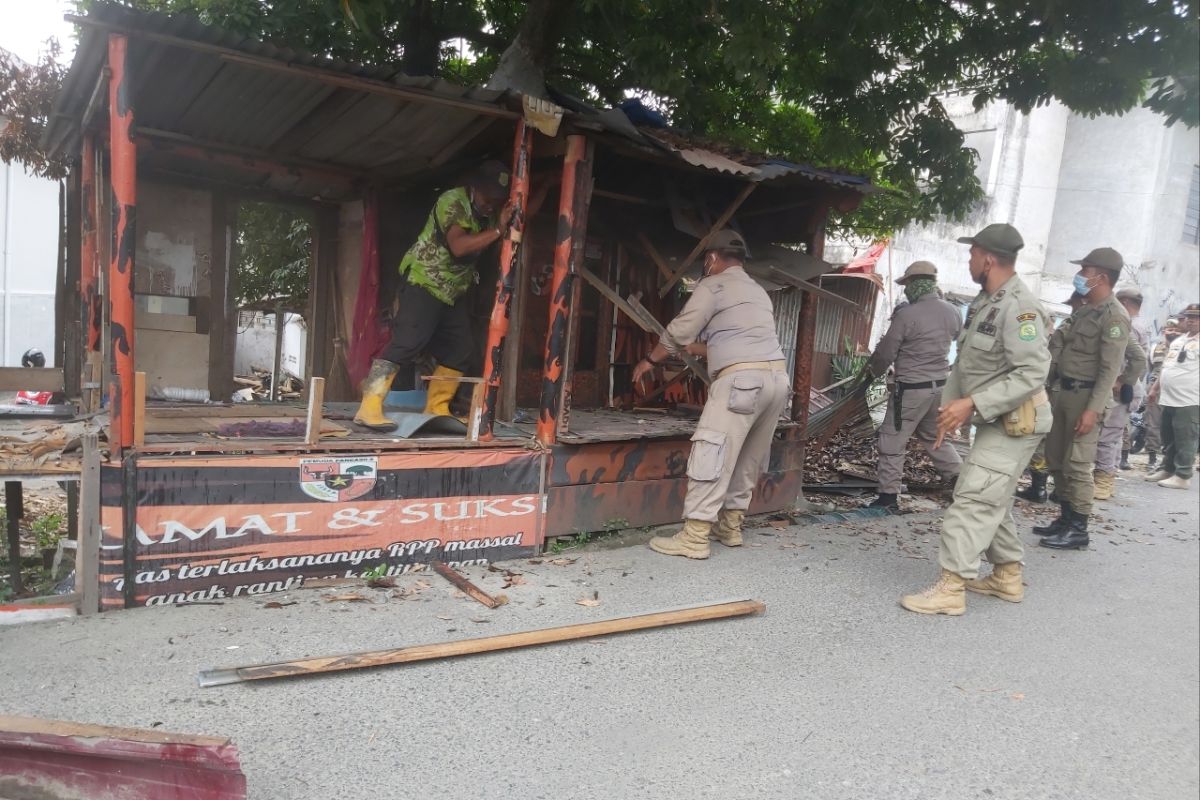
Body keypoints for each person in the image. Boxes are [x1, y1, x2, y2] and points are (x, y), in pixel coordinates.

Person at [899, 223, 1051, 616]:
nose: (968, 261)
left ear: (988, 258)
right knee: (988, 493)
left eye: (971, 254)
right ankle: (1006, 575)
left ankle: (951, 587)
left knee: (973, 498)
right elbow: (967, 366)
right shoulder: (987, 302)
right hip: (997, 417)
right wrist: (950, 410)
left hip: (1016, 421)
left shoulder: (1019, 307)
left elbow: (1032, 372)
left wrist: (973, 404)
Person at [631, 229, 790, 559]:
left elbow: (679, 331)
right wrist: (698, 349)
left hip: (742, 384)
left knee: (712, 451)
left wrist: (650, 360)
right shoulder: (758, 291)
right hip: (776, 383)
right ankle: (730, 526)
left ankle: (694, 536)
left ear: (712, 258)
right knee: (748, 456)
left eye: (706, 260)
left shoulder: (713, 285)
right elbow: (735, 339)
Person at [352, 161, 514, 431]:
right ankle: (368, 407)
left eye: (497, 200)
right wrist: (498, 230)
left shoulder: (487, 212)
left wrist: (544, 185)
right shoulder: (452, 201)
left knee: (461, 349)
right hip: (424, 281)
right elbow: (459, 247)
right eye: (488, 197)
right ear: (475, 188)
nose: (491, 204)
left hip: (452, 290)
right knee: (408, 342)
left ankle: (437, 407)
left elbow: (517, 216)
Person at [1035, 248, 1132, 550]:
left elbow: (1109, 368)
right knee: (1057, 459)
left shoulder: (1114, 315)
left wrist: (1092, 410)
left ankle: (1079, 527)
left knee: (1077, 464)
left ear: (1101, 277)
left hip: (1086, 397)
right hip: (1065, 392)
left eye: (1085, 271)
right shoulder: (1087, 309)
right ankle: (1065, 518)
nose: (1079, 276)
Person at [865, 261, 963, 510]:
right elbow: (962, 344)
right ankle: (964, 486)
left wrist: (871, 374)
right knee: (935, 437)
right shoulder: (952, 311)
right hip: (940, 388)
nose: (905, 289)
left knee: (892, 438)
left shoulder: (907, 314)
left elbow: (887, 352)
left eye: (906, 284)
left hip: (910, 391)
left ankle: (888, 498)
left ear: (913, 283)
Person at [1016, 291, 1086, 503]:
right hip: (1073, 392)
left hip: (1056, 390)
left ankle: (1042, 489)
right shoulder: (1081, 325)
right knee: (1060, 442)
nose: (1072, 309)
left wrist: (1042, 385)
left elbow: (1052, 362)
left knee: (1043, 440)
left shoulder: (1073, 326)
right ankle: (1055, 489)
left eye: (1073, 304)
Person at [1092, 287, 1148, 499]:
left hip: (1120, 387)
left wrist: (1119, 381)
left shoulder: (1129, 325)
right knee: (1113, 436)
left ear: (1124, 302)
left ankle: (1103, 481)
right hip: (1127, 387)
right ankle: (1108, 477)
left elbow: (1127, 358)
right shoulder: (1137, 324)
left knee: (1107, 435)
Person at [1145, 303, 1200, 489]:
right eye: (1188, 317)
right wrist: (1154, 388)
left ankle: (1183, 475)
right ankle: (1168, 468)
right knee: (1168, 435)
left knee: (1186, 438)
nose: (1191, 320)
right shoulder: (1179, 340)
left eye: (1196, 317)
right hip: (1168, 396)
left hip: (1190, 399)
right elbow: (1167, 367)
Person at [1142, 317, 1180, 469]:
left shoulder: (1183, 347)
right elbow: (1150, 368)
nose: (1173, 333)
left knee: (1173, 425)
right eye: (1170, 330)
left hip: (1177, 390)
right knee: (1153, 424)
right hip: (1156, 390)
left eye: (1177, 330)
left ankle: (1170, 459)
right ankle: (1152, 458)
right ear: (1164, 331)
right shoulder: (1155, 348)